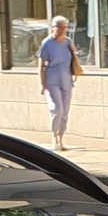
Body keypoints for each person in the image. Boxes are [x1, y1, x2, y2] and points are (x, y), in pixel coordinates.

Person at [37, 14, 77, 151]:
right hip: (52, 80)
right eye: (59, 28)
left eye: (64, 28)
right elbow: (41, 65)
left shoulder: (67, 42)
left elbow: (73, 58)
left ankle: (61, 139)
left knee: (65, 111)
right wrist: (42, 84)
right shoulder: (47, 43)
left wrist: (74, 52)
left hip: (66, 79)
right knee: (57, 109)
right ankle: (54, 138)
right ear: (53, 28)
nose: (61, 30)